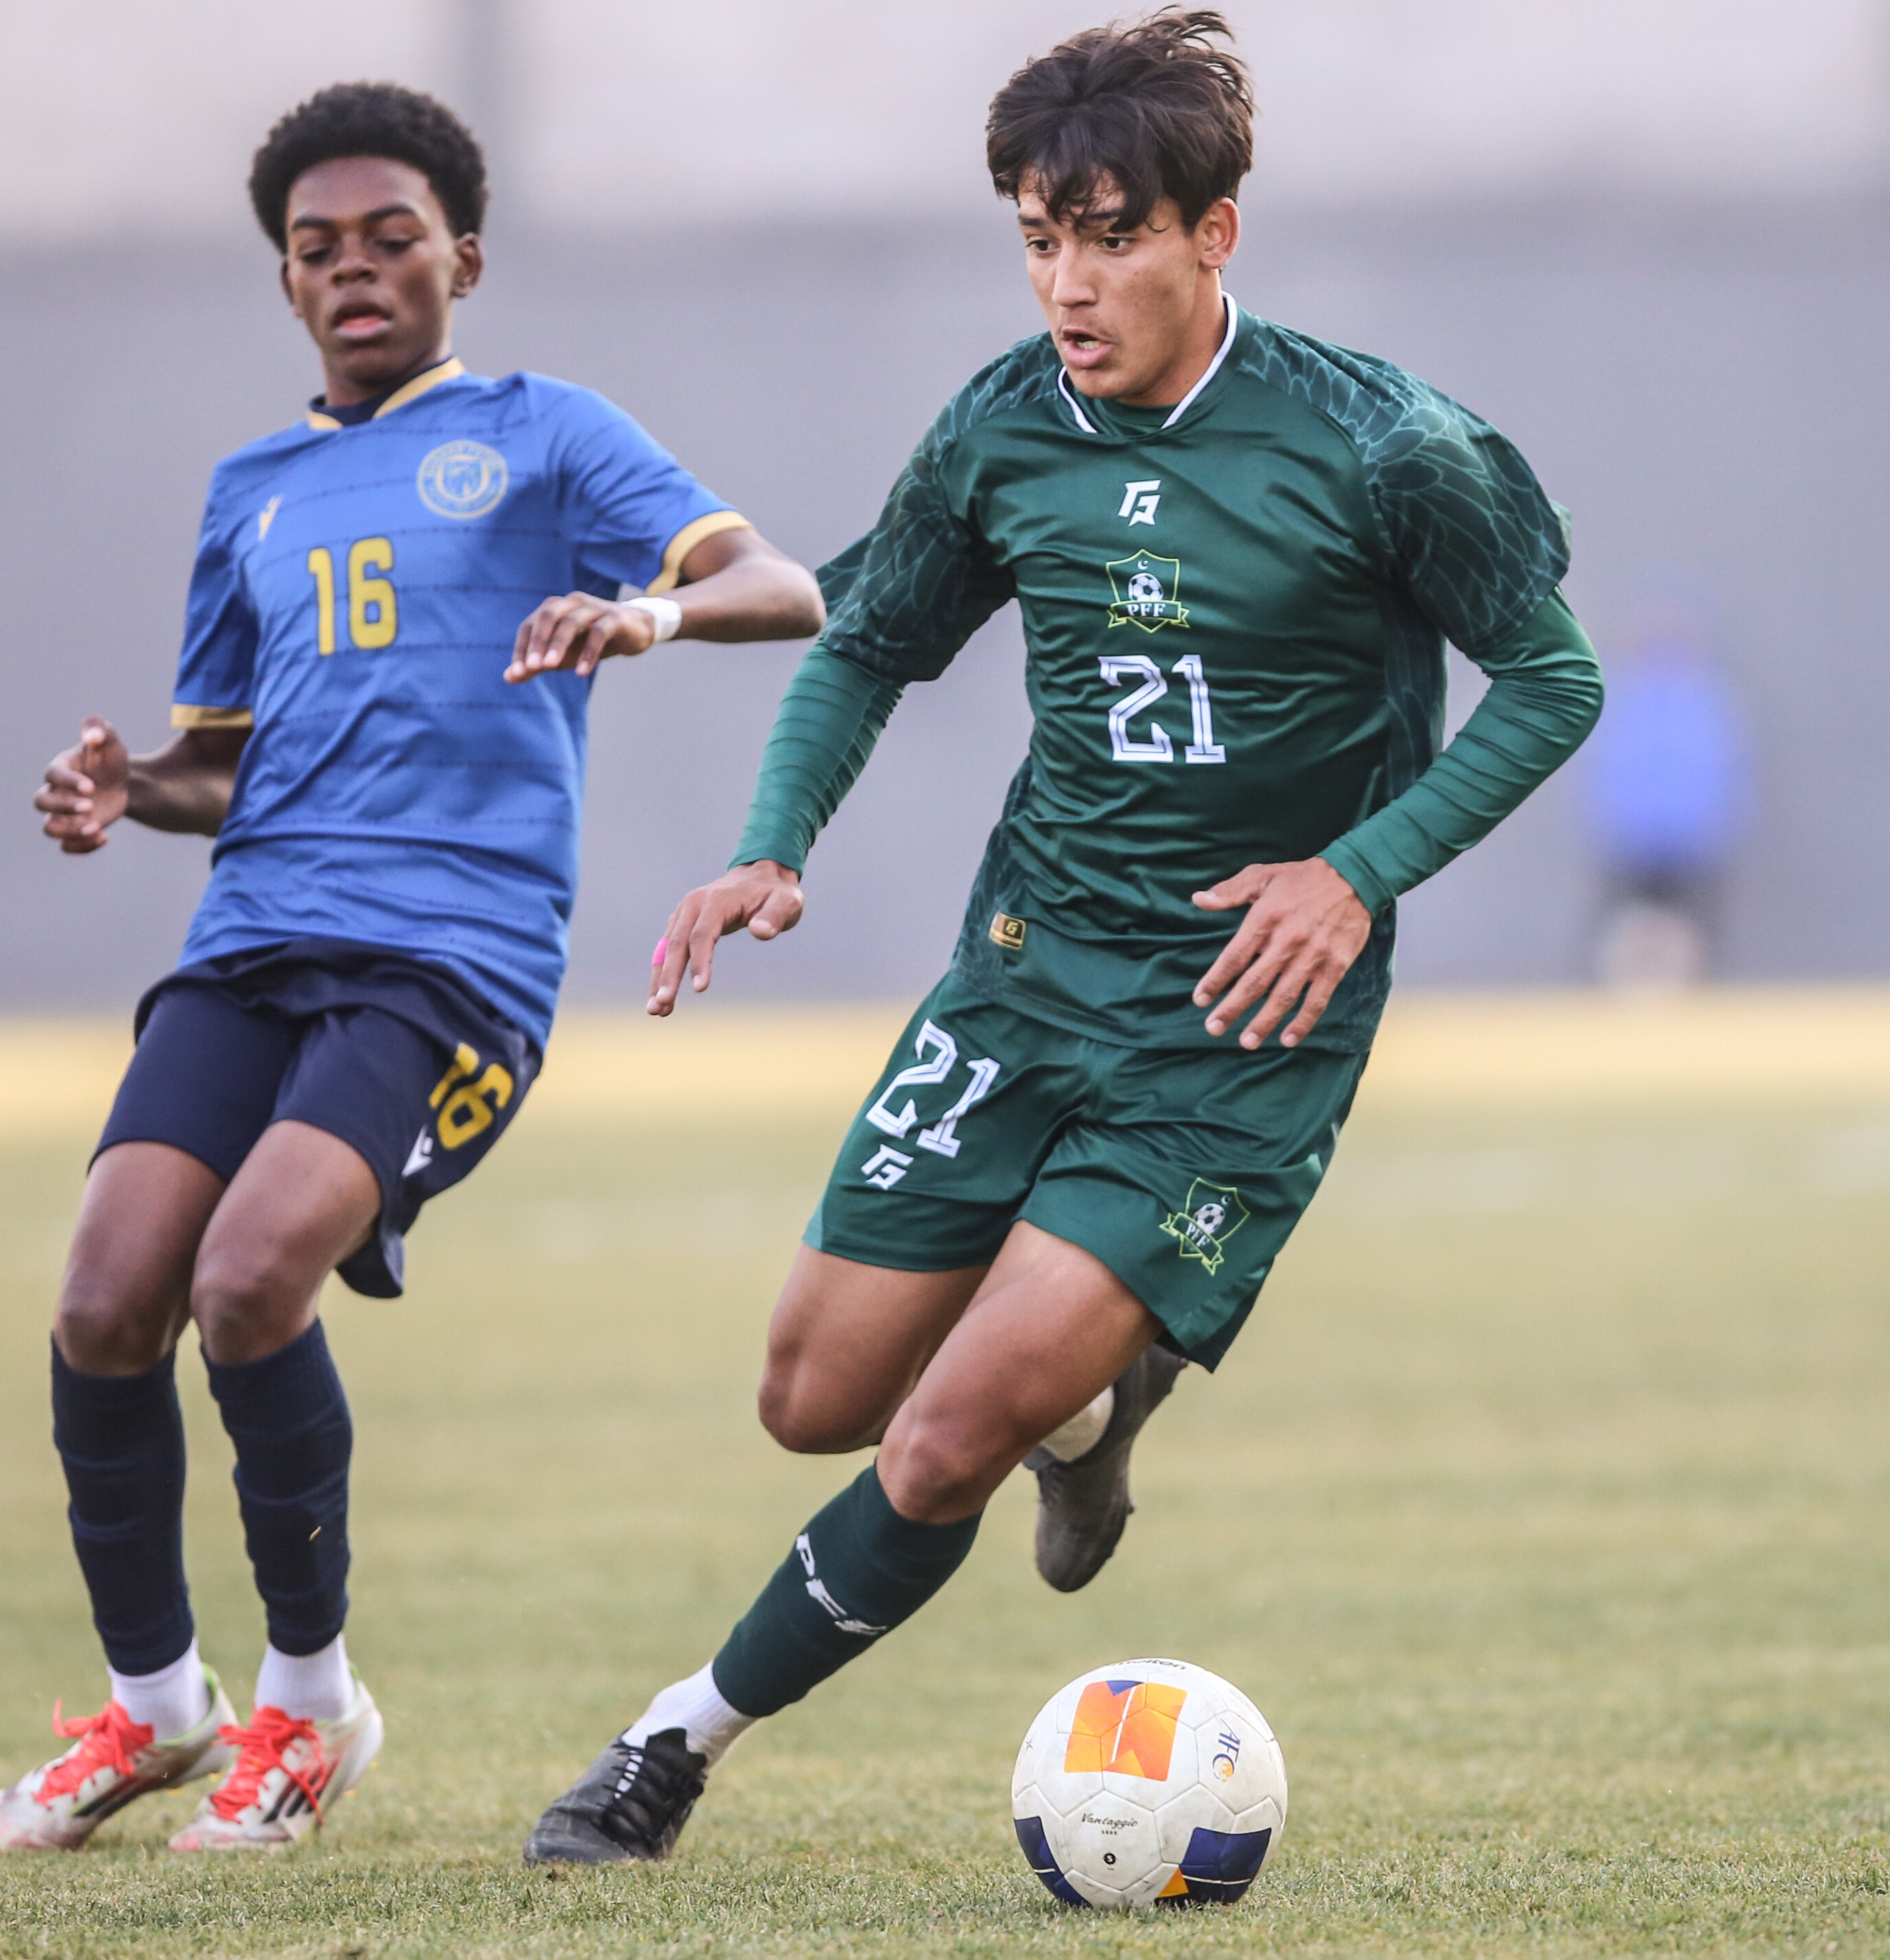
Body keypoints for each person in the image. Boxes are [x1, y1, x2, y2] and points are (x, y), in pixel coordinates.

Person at [523, 9, 1602, 1866]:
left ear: (1214, 233)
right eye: (1038, 239)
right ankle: (1097, 1420)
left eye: (1109, 238)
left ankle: (662, 1752)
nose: (1066, 285)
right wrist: (771, 844)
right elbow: (865, 637)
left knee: (941, 1437)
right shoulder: (1005, 426)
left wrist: (1354, 872)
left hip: (1233, 1029)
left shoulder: (1386, 446)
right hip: (1025, 977)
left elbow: (1552, 678)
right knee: (809, 1400)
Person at [0, 83, 821, 1858]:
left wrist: (646, 611)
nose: (353, 270)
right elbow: (224, 761)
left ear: (463, 259)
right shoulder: (252, 489)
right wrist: (131, 789)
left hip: (448, 959)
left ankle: (311, 1705)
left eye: (390, 239)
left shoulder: (545, 433)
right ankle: (153, 1710)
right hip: (251, 942)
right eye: (316, 249)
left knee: (249, 1275)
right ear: (285, 281)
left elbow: (782, 585)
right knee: (107, 1297)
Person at [1585, 588, 1747, 989]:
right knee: (1623, 930)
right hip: (1634, 839)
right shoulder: (1623, 695)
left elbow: (1720, 770)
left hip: (1688, 840)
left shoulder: (1705, 698)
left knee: (1697, 930)